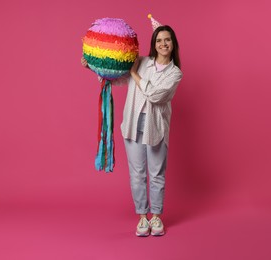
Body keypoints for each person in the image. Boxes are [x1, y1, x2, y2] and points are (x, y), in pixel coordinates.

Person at [81, 15, 182, 237]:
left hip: (156, 128)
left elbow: (155, 95)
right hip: (133, 124)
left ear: (173, 44)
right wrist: (94, 68)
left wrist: (134, 73)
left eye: (167, 40)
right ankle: (142, 218)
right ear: (154, 44)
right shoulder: (143, 62)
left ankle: (156, 217)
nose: (163, 44)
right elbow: (119, 79)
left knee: (156, 173)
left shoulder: (175, 73)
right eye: (158, 40)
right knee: (137, 174)